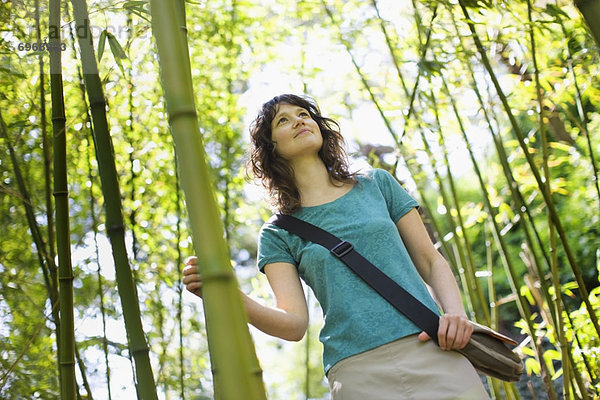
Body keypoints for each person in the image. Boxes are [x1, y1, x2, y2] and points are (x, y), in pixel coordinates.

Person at [183, 94, 490, 399]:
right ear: (270, 147)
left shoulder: (377, 184)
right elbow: (293, 325)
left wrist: (455, 314)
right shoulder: (278, 233)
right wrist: (225, 295)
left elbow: (429, 260)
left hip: (431, 345)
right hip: (357, 371)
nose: (299, 121)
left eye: (303, 113)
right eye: (283, 120)